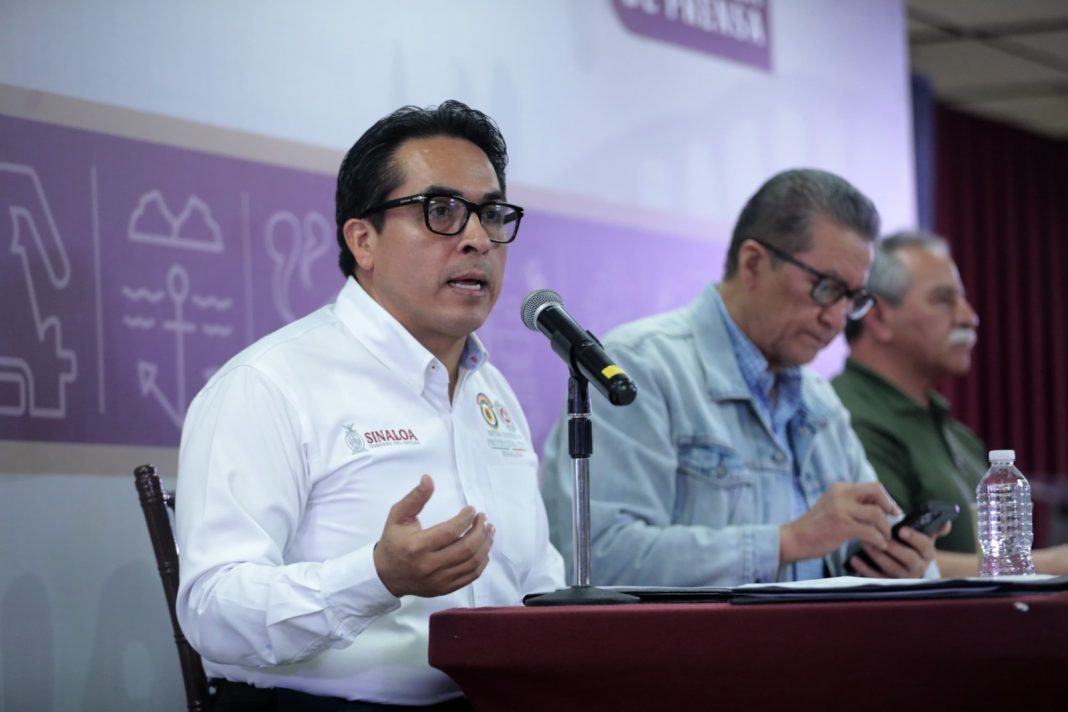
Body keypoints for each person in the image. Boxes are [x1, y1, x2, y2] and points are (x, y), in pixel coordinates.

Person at [175, 100, 564, 710]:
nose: (477, 239)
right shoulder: (270, 383)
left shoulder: (493, 392)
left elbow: (536, 577)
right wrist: (376, 577)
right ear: (363, 240)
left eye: (491, 214)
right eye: (441, 211)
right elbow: (212, 610)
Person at [541, 168, 944, 587]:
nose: (838, 319)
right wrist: (786, 542)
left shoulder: (820, 401)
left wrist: (909, 565)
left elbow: (892, 549)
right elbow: (598, 557)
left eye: (852, 298)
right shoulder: (641, 366)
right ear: (752, 264)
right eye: (826, 288)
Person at [832, 230, 1068, 576]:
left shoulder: (956, 433)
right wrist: (1052, 565)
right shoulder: (843, 417)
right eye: (943, 299)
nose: (968, 317)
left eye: (962, 299)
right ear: (879, 317)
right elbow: (887, 562)